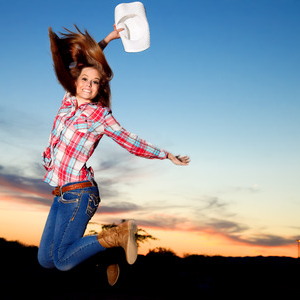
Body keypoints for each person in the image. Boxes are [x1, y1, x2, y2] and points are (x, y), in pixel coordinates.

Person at [37, 25, 190, 283]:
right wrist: (108, 39)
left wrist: (165, 154)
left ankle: (118, 234)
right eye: (85, 79)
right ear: (75, 80)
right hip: (61, 194)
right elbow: (88, 61)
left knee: (62, 261)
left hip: (80, 193)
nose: (89, 85)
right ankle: (107, 257)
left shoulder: (101, 116)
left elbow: (130, 141)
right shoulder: (67, 99)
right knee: (46, 259)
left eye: (95, 82)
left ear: (100, 88)